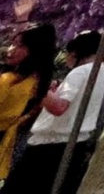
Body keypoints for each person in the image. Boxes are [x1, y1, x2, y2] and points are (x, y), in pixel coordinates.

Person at [3, 30, 104, 194]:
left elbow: (59, 107)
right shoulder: (102, 72)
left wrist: (38, 87)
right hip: (73, 143)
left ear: (76, 52)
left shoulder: (80, 72)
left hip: (51, 146)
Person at [0, 23, 56, 182]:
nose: (11, 50)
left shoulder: (16, 82)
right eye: (12, 44)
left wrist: (22, 21)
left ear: (35, 51)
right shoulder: (35, 80)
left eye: (20, 46)